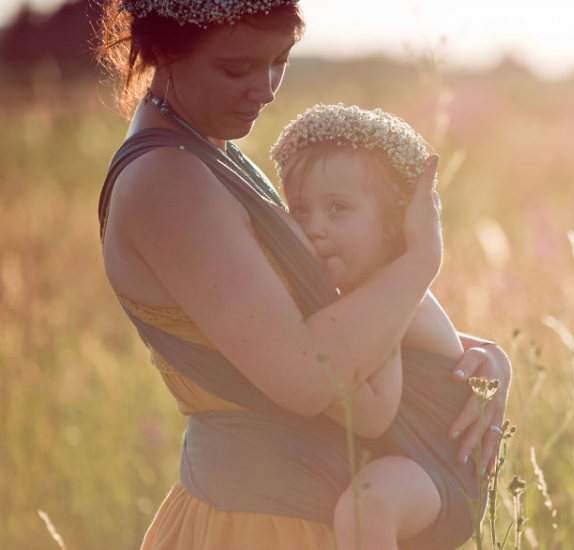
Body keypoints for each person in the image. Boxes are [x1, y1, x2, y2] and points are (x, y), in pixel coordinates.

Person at [94, 0, 511, 548]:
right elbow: (309, 375)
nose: (265, 89)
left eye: (279, 61)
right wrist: (418, 263)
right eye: (236, 68)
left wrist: (475, 361)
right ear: (165, 52)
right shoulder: (167, 179)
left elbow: (293, 323)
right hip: (260, 524)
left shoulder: (207, 152)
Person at [272, 103, 489, 549]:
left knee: (366, 507)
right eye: (300, 211)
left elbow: (373, 413)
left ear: (393, 225)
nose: (315, 228)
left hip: (437, 468)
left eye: (338, 208)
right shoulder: (361, 292)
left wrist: (285, 372)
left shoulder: (391, 296)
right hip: (407, 463)